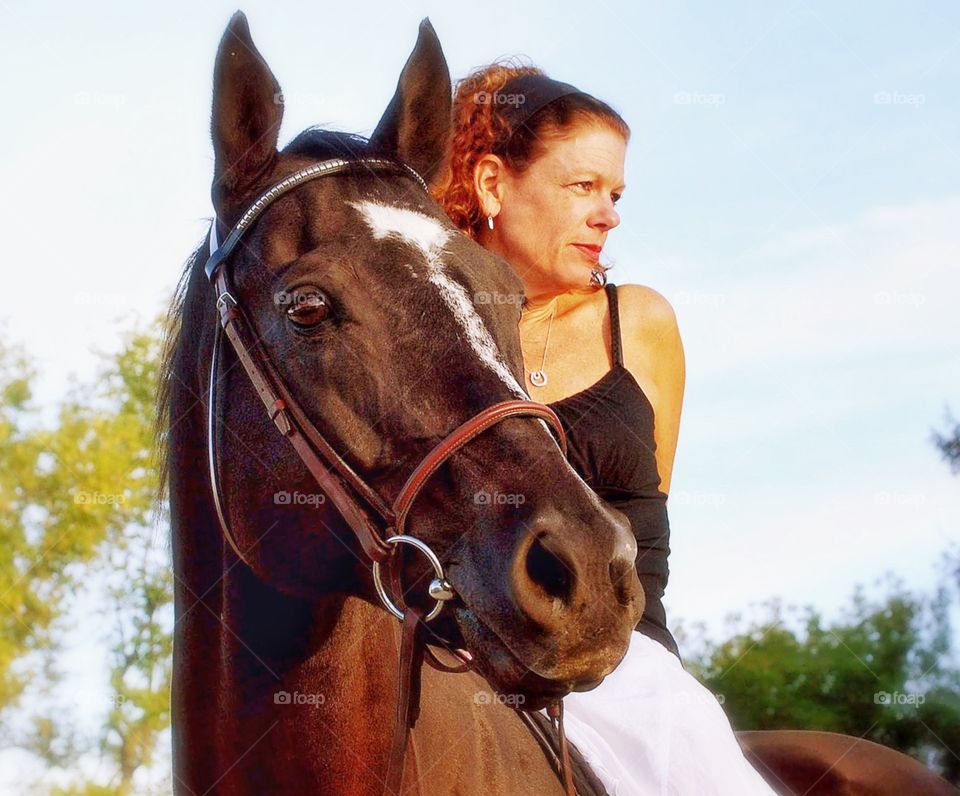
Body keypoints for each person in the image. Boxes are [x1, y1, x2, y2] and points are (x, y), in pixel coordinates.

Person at [432, 65, 777, 795]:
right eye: (581, 187)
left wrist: (624, 656)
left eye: (614, 193)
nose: (608, 214)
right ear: (493, 184)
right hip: (459, 662)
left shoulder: (640, 321)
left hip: (624, 671)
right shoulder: (436, 342)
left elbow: (645, 531)